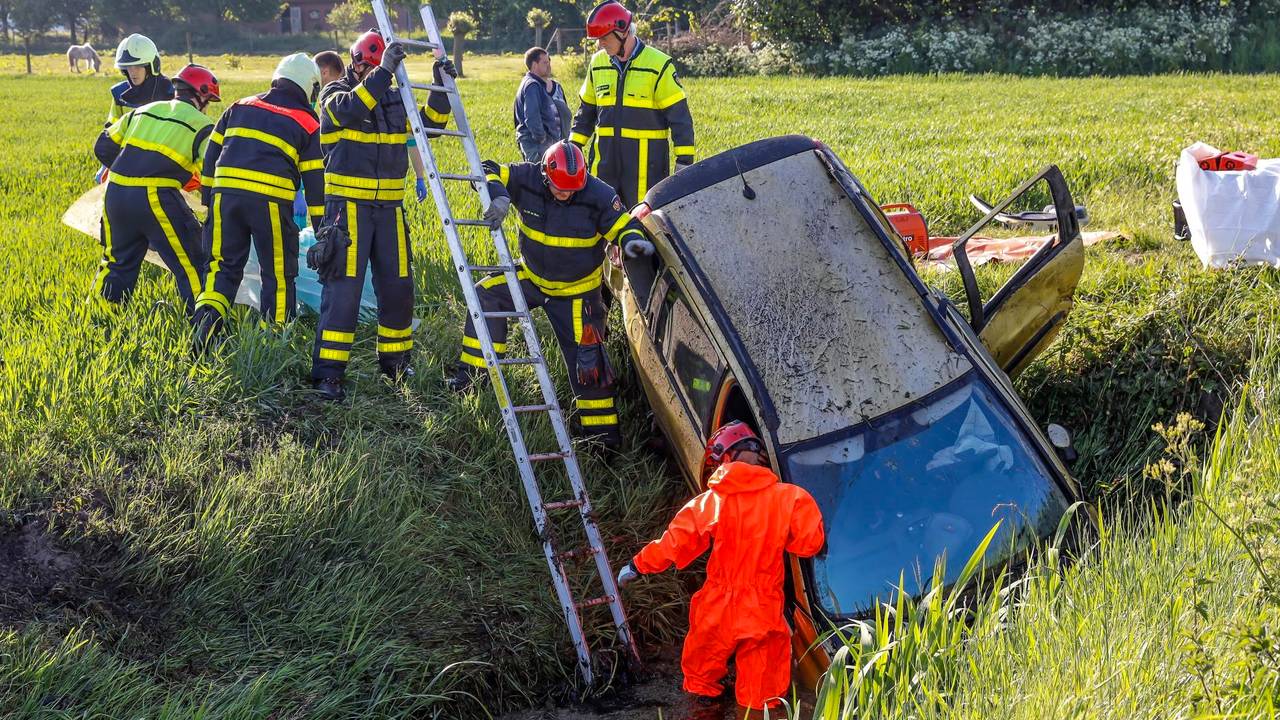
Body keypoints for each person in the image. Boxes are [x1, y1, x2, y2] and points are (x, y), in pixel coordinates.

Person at [446, 141, 652, 449]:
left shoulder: (599, 195)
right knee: (485, 296)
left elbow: (624, 225)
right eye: (559, 188)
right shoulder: (527, 177)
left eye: (572, 189)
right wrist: (498, 195)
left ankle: (602, 442)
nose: (565, 194)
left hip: (577, 295)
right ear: (545, 175)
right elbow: (488, 168)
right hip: (532, 278)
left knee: (589, 366)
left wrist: (631, 241)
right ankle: (472, 380)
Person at [616, 421, 825, 713]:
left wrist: (637, 565)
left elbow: (674, 542)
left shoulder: (712, 502)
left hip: (717, 609)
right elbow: (809, 545)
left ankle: (706, 710)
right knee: (762, 702)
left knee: (699, 685)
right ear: (758, 455)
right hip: (764, 610)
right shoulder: (792, 498)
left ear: (725, 457)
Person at [307, 29, 454, 401]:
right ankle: (328, 375)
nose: (374, 74)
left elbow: (430, 126)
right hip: (347, 214)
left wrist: (440, 83)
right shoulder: (334, 94)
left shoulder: (393, 99)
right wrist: (384, 71)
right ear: (356, 63)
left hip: (389, 211)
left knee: (398, 287)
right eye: (370, 67)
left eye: (379, 69)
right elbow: (351, 109)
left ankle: (396, 363)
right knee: (343, 293)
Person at [191, 54, 327, 351]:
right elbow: (316, 187)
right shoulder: (308, 123)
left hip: (225, 199)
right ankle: (274, 343)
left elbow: (211, 155)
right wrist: (322, 232)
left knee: (221, 268)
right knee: (277, 273)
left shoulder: (239, 106)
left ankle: (205, 323)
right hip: (270, 203)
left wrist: (209, 200)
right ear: (310, 88)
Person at [91, 65, 220, 317]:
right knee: (192, 263)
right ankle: (204, 323)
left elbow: (103, 147)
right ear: (202, 96)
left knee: (116, 262)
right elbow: (211, 172)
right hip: (156, 198)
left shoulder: (142, 111)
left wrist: (132, 169)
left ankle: (100, 319)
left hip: (116, 193)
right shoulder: (203, 125)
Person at [570, 1, 695, 209]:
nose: (600, 44)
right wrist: (572, 148)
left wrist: (684, 162)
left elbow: (680, 120)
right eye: (598, 39)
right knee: (602, 221)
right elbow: (585, 113)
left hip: (647, 173)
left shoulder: (659, 65)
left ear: (623, 31)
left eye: (604, 38)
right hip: (604, 170)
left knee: (643, 225)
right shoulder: (597, 64)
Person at [514, 47, 571, 162]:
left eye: (549, 61)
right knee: (539, 173)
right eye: (545, 62)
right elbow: (532, 118)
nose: (549, 65)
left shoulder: (549, 86)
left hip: (553, 145)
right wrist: (543, 140)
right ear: (534, 65)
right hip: (536, 146)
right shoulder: (532, 86)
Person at [107, 34, 174, 125]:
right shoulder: (119, 93)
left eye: (138, 66)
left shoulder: (170, 91)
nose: (132, 72)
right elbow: (112, 126)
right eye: (128, 67)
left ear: (150, 67)